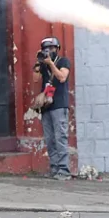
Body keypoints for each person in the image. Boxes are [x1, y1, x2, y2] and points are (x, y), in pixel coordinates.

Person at [32, 37, 72, 180]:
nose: (49, 51)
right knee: (50, 139)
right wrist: (38, 62)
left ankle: (64, 170)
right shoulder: (43, 65)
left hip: (59, 105)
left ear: (57, 49)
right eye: (46, 49)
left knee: (60, 137)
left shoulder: (63, 61)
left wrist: (50, 64)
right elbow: (36, 79)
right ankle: (55, 168)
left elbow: (62, 77)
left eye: (52, 48)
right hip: (46, 107)